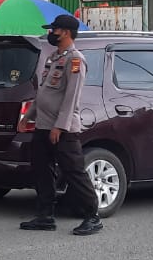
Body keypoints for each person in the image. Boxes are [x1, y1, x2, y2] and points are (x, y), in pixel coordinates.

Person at [20, 14, 102, 236]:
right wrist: (28, 116)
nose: (50, 34)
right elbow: (43, 93)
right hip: (43, 125)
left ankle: (92, 216)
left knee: (74, 171)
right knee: (42, 170)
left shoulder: (75, 60)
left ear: (65, 32)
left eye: (53, 30)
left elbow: (71, 96)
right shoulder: (53, 58)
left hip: (63, 129)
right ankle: (45, 215)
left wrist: (60, 126)